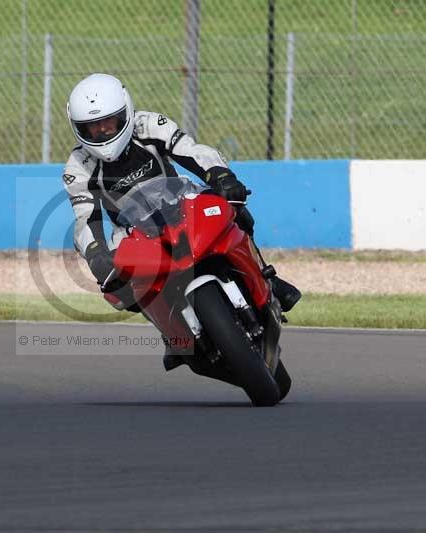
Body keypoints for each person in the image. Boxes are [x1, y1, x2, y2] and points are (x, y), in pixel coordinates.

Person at [61, 73, 301, 367]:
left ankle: (268, 278)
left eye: (108, 122)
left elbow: (190, 151)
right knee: (120, 288)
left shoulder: (148, 125)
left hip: (180, 203)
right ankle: (171, 333)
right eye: (92, 127)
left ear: (125, 111)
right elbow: (85, 216)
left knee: (232, 207)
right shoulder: (78, 167)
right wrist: (96, 252)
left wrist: (220, 175)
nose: (102, 130)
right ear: (78, 128)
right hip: (133, 231)